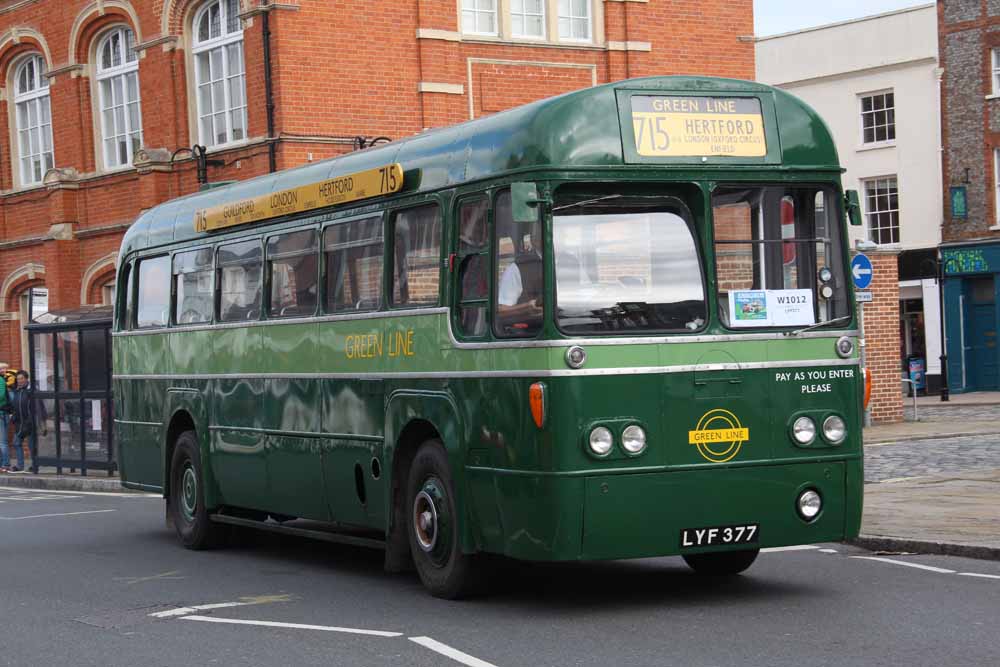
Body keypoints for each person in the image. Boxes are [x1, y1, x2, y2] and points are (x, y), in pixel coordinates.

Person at [497, 223, 544, 330]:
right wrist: (527, 308)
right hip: (532, 334)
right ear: (534, 240)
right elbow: (500, 311)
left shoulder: (570, 261)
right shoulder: (518, 268)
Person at [9, 370, 43, 473]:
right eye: (18, 379)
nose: (19, 381)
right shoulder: (17, 391)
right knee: (17, 442)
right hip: (19, 422)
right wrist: (13, 416)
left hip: (30, 422)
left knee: (32, 445)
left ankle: (34, 465)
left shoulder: (31, 390)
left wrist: (41, 421)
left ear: (26, 379)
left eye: (21, 378)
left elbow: (39, 406)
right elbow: (14, 405)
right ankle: (20, 466)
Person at [0, 363, 9, 473]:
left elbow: (1, 395)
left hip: (1, 412)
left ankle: (5, 464)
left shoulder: (1, 380)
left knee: (2, 441)